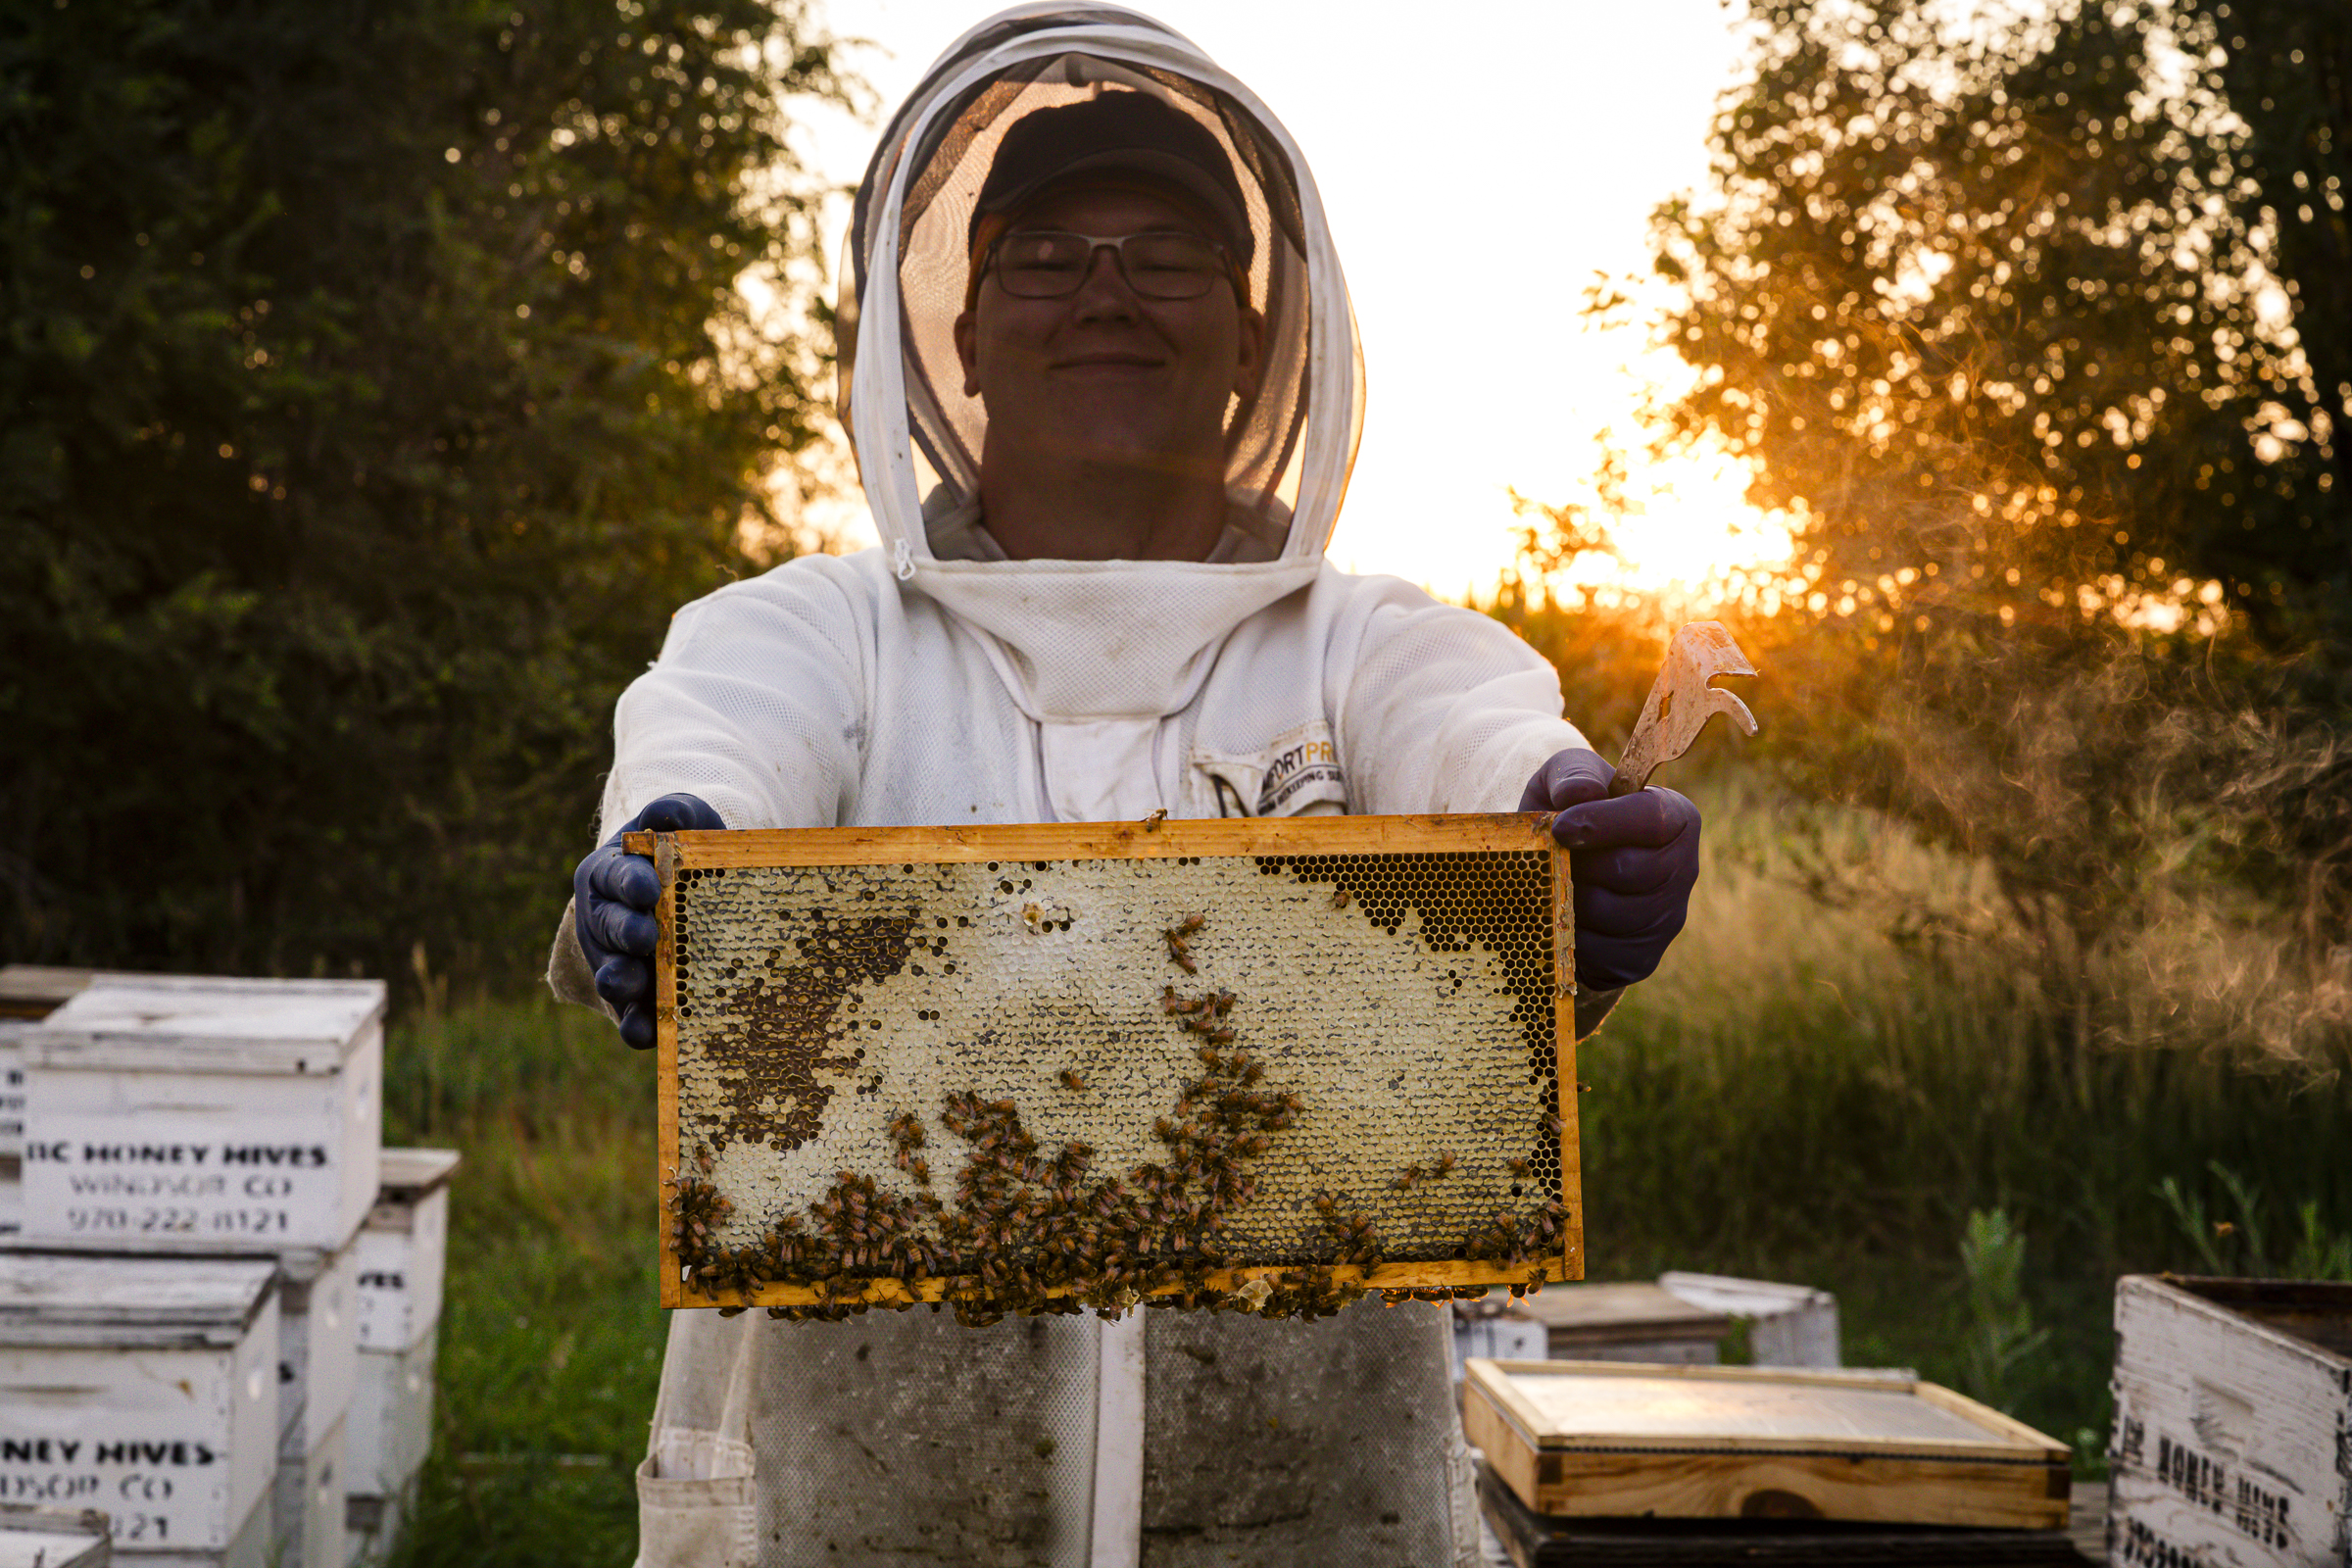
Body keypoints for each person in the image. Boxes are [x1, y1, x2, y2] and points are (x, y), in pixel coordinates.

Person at [549, 9, 1701, 1565]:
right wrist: (680, 854)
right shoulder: (819, 627)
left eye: (1167, 257)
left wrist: (1555, 812)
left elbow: (1467, 725)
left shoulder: (1358, 645)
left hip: (1305, 1513)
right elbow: (726, 735)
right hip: (863, 1510)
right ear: (955, 329)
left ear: (1254, 333)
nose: (1106, 295)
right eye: (1045, 255)